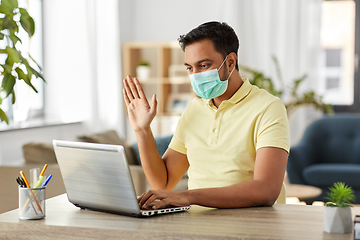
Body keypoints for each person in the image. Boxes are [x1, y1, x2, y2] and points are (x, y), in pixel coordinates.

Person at [123, 21, 290, 210]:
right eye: (190, 68)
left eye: (203, 65)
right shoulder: (194, 109)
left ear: (230, 62)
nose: (195, 75)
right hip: (198, 224)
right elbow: (164, 182)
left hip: (251, 226)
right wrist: (142, 129)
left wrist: (188, 197)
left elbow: (266, 190)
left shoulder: (268, 107)